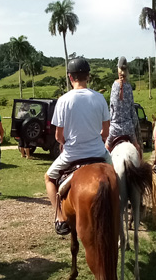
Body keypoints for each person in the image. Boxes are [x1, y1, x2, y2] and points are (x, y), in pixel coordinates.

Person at [44, 57, 112, 235]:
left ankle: (60, 217)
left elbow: (59, 136)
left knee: (49, 178)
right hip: (99, 152)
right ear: (87, 77)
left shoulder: (64, 100)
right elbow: (105, 132)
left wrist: (64, 142)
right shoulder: (99, 98)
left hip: (72, 155)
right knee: (118, 177)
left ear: (70, 77)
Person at [106, 56, 141, 153]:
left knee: (105, 150)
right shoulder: (129, 87)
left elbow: (112, 108)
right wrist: (133, 125)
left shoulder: (114, 85)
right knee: (137, 148)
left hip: (115, 128)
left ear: (118, 70)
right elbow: (131, 109)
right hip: (128, 128)